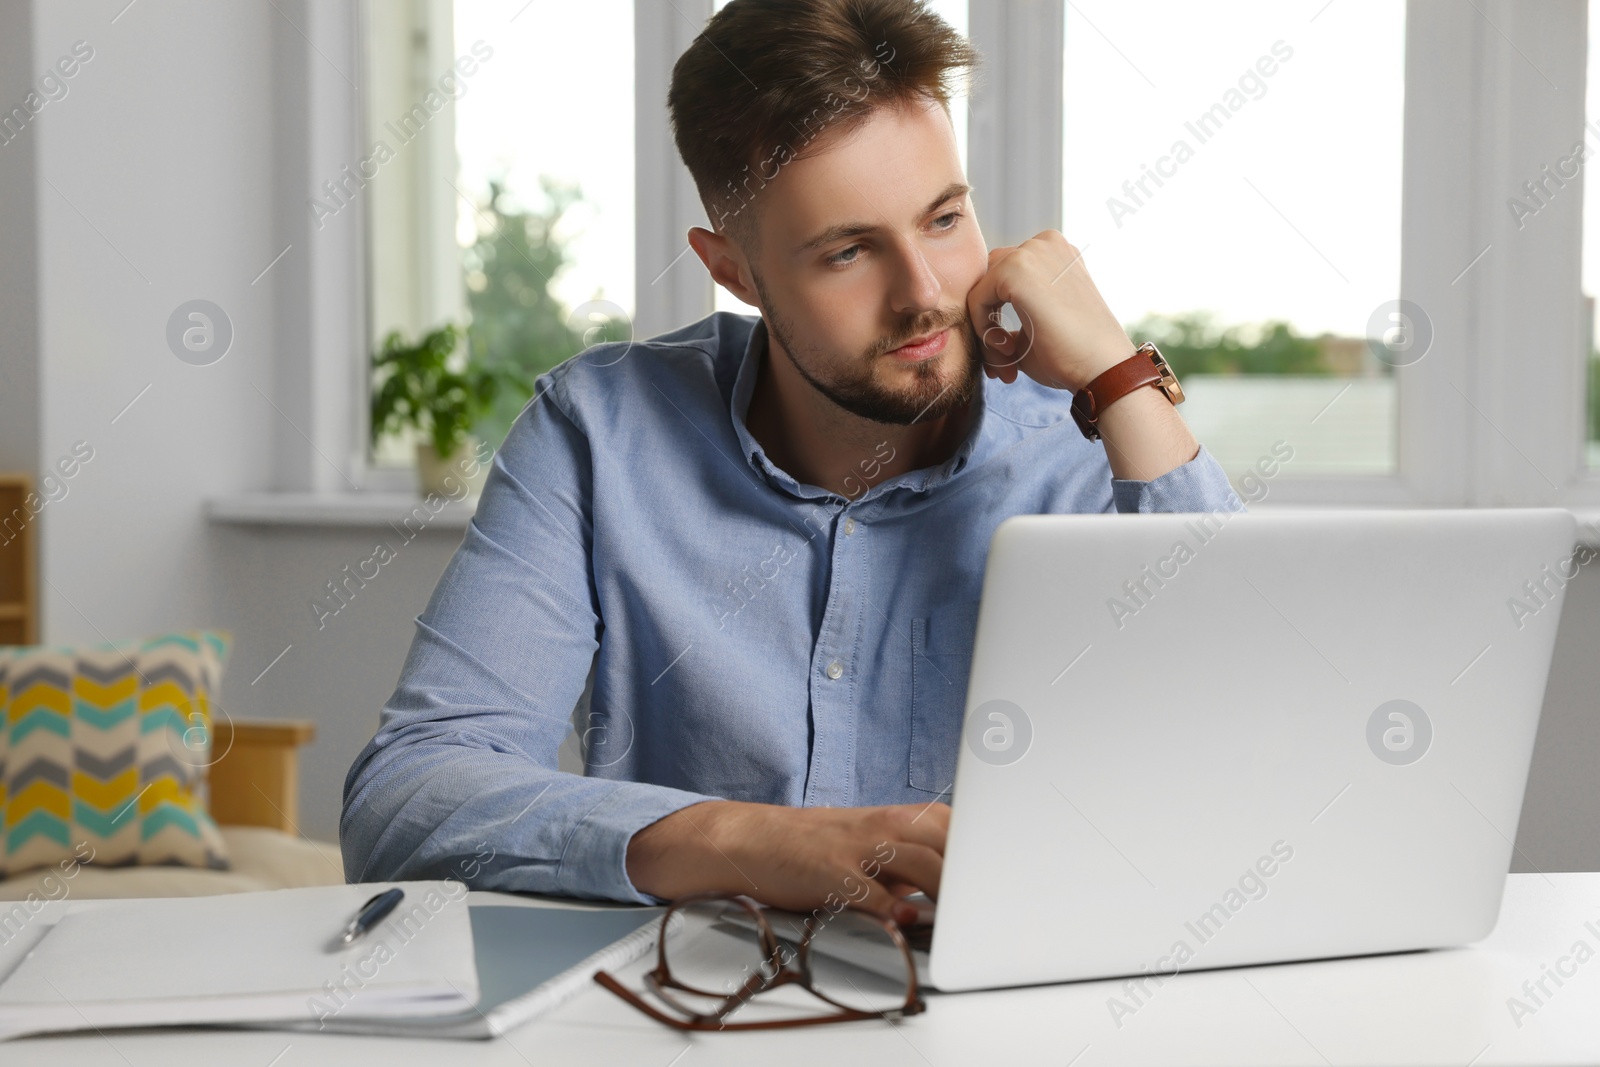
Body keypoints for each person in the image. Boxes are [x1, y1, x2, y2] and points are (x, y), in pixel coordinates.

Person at [341, 0, 1242, 928]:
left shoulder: (1091, 439)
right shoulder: (600, 433)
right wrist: (755, 843)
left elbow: (1261, 759)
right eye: (848, 251)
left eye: (944, 219)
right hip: (694, 1019)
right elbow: (405, 798)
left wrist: (1122, 379)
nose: (926, 295)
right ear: (734, 270)